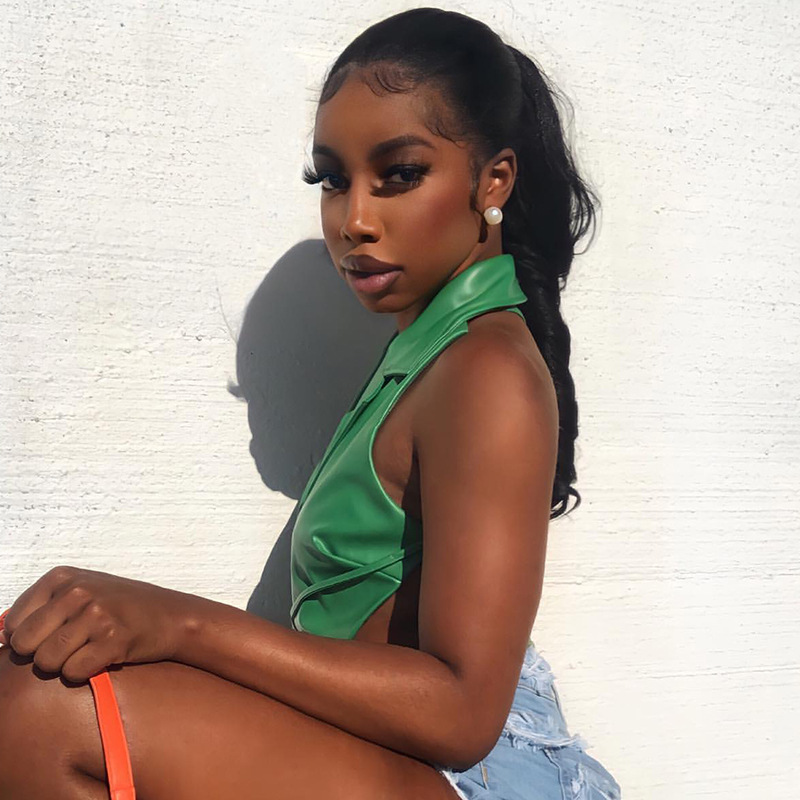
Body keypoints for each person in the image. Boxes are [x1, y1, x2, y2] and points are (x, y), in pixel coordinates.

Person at [0, 7, 621, 799]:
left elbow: (465, 714)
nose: (354, 220)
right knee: (41, 661)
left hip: (475, 773)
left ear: (492, 181)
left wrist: (179, 623)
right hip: (394, 750)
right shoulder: (429, 350)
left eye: (399, 174)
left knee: (42, 710)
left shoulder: (486, 368)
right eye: (332, 179)